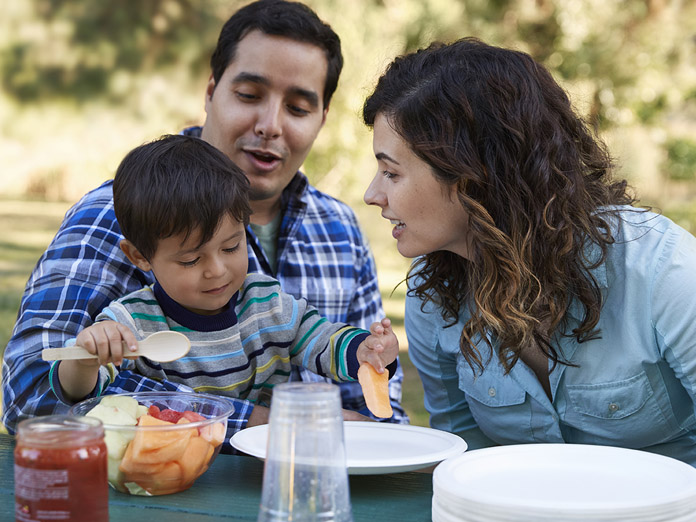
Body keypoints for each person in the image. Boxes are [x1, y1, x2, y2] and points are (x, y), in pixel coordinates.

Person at [2, 0, 407, 435]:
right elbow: (30, 398)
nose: (270, 125)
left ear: (323, 118)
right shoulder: (117, 214)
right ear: (211, 91)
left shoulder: (339, 230)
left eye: (298, 108)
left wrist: (370, 359)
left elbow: (375, 399)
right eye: (249, 95)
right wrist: (246, 423)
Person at [362, 37, 696, 465]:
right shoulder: (432, 300)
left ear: (473, 174)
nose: (372, 194)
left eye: (391, 172)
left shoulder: (665, 270)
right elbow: (463, 461)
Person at [57, 135, 398, 433]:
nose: (217, 270)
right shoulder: (131, 325)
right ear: (140, 256)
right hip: (169, 471)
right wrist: (85, 360)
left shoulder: (266, 303)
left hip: (260, 470)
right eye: (191, 259)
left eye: (232, 246)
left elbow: (323, 342)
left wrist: (364, 351)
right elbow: (82, 394)